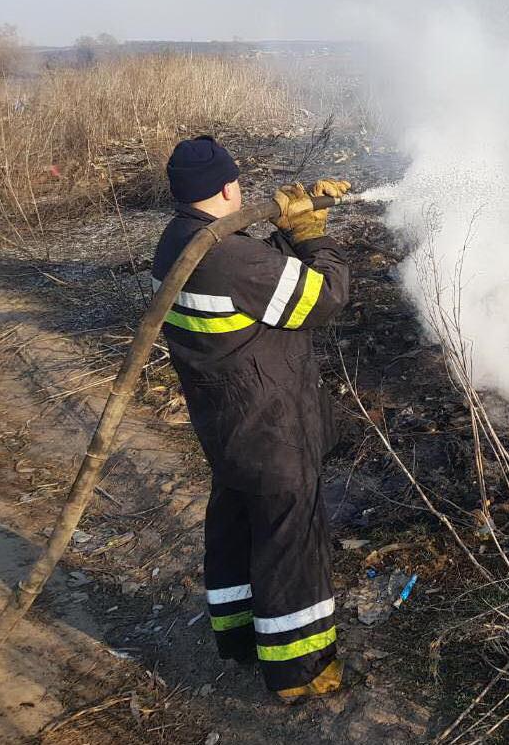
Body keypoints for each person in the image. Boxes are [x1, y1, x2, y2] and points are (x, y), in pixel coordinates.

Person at [151, 135, 352, 702]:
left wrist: (282, 232)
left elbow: (254, 287)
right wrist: (314, 236)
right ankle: (303, 673)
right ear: (227, 187)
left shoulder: (179, 245)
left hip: (224, 422)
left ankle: (240, 636)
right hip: (272, 425)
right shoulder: (230, 258)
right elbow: (324, 297)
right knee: (291, 542)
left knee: (236, 524)